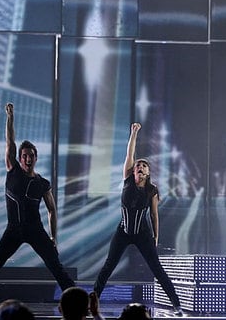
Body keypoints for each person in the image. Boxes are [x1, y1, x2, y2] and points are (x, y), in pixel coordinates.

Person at [0, 103, 75, 294]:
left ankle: (80, 303)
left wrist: (53, 237)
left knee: (57, 268)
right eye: (24, 156)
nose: (27, 159)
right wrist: (10, 116)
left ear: (35, 157)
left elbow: (52, 210)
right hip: (13, 230)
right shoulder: (13, 169)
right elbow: (10, 142)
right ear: (20, 157)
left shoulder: (42, 183)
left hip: (35, 230)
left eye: (31, 156)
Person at [93, 123, 183, 316]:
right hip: (123, 231)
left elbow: (153, 215)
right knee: (108, 267)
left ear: (148, 173)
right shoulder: (127, 179)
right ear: (133, 171)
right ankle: (92, 303)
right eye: (138, 166)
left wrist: (156, 236)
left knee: (157, 269)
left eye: (144, 166)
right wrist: (134, 133)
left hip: (142, 233)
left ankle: (177, 305)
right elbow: (129, 155)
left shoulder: (152, 190)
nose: (140, 167)